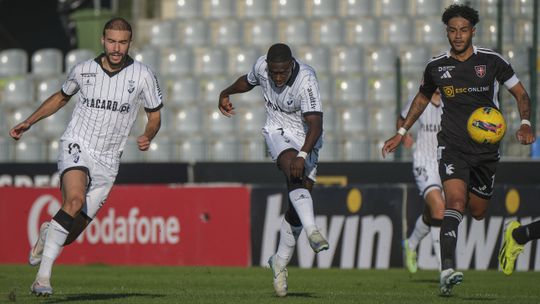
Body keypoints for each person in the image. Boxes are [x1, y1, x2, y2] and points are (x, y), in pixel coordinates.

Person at [381, 4, 535, 296]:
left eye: (463, 30)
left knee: (478, 211)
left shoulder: (491, 61)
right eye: (452, 30)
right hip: (452, 146)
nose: (458, 35)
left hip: (486, 151)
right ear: (447, 32)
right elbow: (422, 98)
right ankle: (447, 269)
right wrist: (401, 132)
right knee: (455, 202)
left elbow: (521, 93)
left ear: (472, 32)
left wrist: (526, 122)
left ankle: (511, 234)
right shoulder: (436, 66)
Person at [9, 17, 163, 296]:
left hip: (108, 160)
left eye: (123, 42)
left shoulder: (143, 75)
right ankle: (42, 279)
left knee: (69, 234)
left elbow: (155, 115)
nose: (116, 48)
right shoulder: (83, 70)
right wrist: (29, 121)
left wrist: (148, 134)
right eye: (112, 41)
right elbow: (61, 97)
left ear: (130, 43)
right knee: (74, 199)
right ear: (103, 41)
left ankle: (47, 233)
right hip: (77, 144)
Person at [218, 43, 329, 297]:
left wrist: (303, 153)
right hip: (276, 129)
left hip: (307, 136)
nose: (277, 78)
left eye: (283, 72)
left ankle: (278, 262)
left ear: (291, 65)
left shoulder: (306, 79)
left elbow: (316, 124)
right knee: (292, 170)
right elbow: (247, 81)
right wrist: (226, 92)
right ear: (268, 67)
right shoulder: (261, 67)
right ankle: (314, 232)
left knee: (296, 209)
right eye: (273, 73)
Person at [400, 90, 444, 274]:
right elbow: (402, 119)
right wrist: (404, 135)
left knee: (431, 213)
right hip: (423, 162)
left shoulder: (451, 101)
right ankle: (445, 268)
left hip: (444, 162)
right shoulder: (418, 99)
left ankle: (410, 244)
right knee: (440, 208)